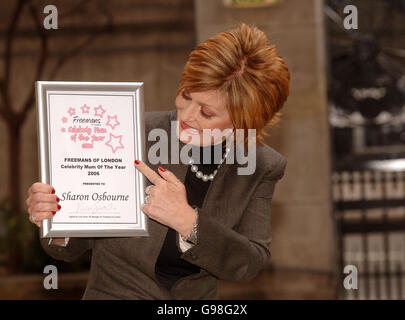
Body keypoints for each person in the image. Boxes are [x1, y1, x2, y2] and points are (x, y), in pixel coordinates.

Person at [25, 23, 290, 299]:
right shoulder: (131, 131)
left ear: (244, 120)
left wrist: (189, 222)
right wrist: (55, 218)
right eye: (186, 96)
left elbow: (249, 263)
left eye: (207, 112)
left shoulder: (262, 166)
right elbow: (68, 247)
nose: (187, 115)